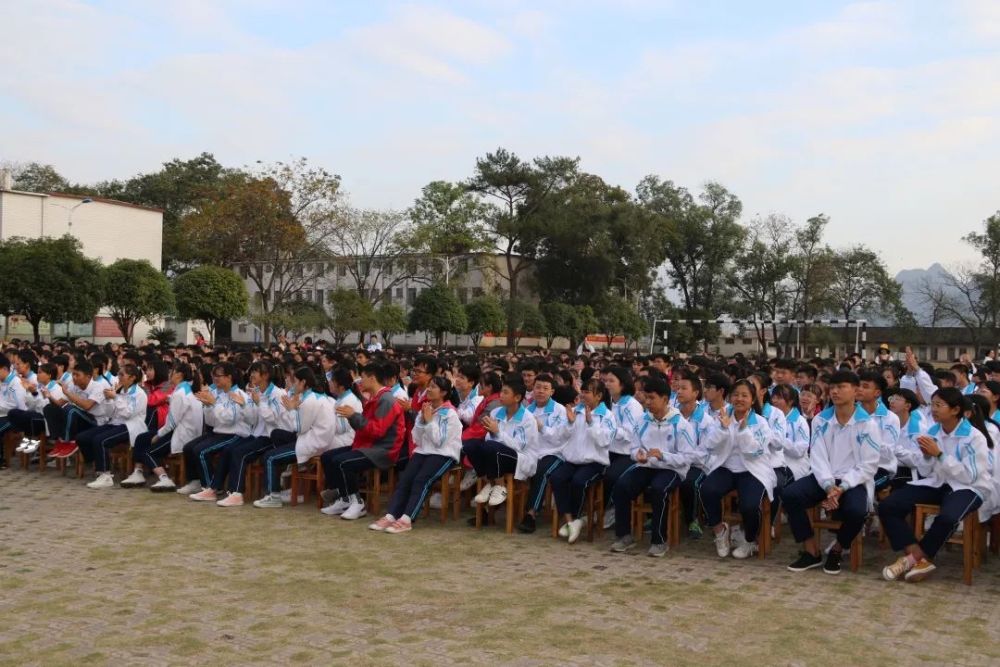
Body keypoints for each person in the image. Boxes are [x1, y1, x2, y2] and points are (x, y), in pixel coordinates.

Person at [879, 387, 995, 582]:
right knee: (888, 506)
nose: (933, 409)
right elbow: (925, 469)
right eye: (932, 404)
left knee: (948, 517)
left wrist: (939, 455)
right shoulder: (932, 431)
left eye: (939, 405)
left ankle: (912, 560)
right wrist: (926, 456)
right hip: (939, 482)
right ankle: (917, 556)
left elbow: (970, 476)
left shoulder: (973, 437)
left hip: (970, 487)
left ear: (955, 409)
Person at [784, 371, 881, 575]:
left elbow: (868, 465)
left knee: (857, 511)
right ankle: (811, 551)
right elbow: (817, 457)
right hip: (824, 478)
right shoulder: (821, 420)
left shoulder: (868, 424)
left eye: (841, 387)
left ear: (855, 391)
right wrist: (829, 486)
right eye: (833, 387)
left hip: (853, 481)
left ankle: (838, 549)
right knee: (791, 494)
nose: (835, 391)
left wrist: (843, 486)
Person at [610, 377, 696, 556]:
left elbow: (687, 458)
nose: (647, 402)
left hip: (671, 469)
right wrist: (638, 455)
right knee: (621, 486)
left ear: (665, 399)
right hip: (646, 466)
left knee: (659, 489)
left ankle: (659, 540)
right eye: (646, 397)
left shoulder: (680, 425)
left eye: (652, 398)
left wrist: (663, 455)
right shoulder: (642, 420)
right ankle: (624, 535)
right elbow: (633, 448)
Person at [369, 376, 463, 533]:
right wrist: (423, 421)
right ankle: (391, 515)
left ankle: (407, 518)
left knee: (421, 480)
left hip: (444, 454)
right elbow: (417, 439)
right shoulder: (425, 409)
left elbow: (439, 442)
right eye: (429, 386)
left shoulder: (450, 414)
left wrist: (430, 421)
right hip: (424, 450)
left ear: (444, 392)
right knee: (405, 478)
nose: (429, 390)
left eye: (433, 387)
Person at [191, 360, 288, 506]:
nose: (252, 375)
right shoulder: (256, 392)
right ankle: (213, 488)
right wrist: (244, 405)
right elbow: (252, 419)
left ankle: (236, 493)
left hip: (270, 437)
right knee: (228, 450)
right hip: (256, 434)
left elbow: (273, 419)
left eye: (256, 372)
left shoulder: (277, 394)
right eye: (252, 371)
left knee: (239, 453)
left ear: (266, 375)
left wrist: (258, 403)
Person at [698, 379, 776, 560]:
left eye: (744, 395)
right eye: (736, 395)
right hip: (726, 467)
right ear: (730, 397)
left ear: (752, 399)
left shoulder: (760, 422)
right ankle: (720, 531)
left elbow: (755, 452)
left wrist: (743, 431)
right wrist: (724, 430)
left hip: (752, 470)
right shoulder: (722, 417)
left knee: (749, 505)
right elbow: (710, 446)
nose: (739, 399)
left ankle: (750, 540)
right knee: (707, 490)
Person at [320, 361, 406, 520]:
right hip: (368, 444)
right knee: (327, 457)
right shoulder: (377, 398)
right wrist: (352, 417)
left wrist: (353, 415)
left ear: (373, 378)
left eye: (363, 377)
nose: (359, 381)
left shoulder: (387, 400)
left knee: (342, 462)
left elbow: (377, 431)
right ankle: (344, 499)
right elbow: (365, 428)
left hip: (382, 450)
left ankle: (357, 503)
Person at [253, 366, 333, 509]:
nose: (292, 384)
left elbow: (298, 427)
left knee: (269, 457)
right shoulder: (309, 396)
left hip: (312, 444)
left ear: (303, 382)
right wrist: (293, 409)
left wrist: (291, 409)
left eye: (294, 381)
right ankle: (288, 466)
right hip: (309, 438)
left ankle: (273, 496)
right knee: (276, 434)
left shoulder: (310, 400)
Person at [549, 378, 616, 544]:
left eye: (588, 392)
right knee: (556, 477)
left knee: (579, 482)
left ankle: (576, 520)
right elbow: (560, 436)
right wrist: (570, 423)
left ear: (599, 395)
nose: (583, 395)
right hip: (572, 460)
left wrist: (591, 423)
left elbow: (604, 441)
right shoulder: (575, 411)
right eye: (583, 392)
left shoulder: (607, 415)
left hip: (595, 462)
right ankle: (571, 520)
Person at [176, 363, 251, 496]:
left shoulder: (238, 394)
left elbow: (229, 419)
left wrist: (214, 404)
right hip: (218, 432)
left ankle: (211, 487)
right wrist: (208, 406)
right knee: (188, 447)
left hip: (233, 433)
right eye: (213, 376)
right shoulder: (215, 393)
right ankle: (196, 481)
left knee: (201, 451)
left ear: (229, 377)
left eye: (218, 376)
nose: (215, 379)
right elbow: (211, 421)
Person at [464, 376, 538, 510]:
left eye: (505, 392)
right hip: (497, 455)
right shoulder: (496, 412)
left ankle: (500, 486)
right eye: (501, 392)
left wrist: (497, 432)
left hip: (520, 459)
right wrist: (492, 433)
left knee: (493, 447)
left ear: (517, 397)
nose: (501, 395)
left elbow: (520, 446)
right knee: (471, 445)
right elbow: (488, 439)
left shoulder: (528, 419)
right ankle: (489, 482)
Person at [127, 361, 203, 491]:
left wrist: (158, 435)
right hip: (180, 431)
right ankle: (138, 472)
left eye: (172, 372)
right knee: (142, 438)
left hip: (181, 434)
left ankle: (164, 479)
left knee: (149, 452)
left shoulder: (180, 394)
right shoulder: (185, 390)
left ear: (179, 375)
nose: (169, 374)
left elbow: (172, 423)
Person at [76, 364, 148, 489]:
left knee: (100, 440)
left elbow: (128, 414)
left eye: (122, 375)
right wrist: (108, 399)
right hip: (114, 423)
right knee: (83, 437)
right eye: (118, 374)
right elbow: (109, 412)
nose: (119, 377)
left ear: (132, 378)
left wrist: (115, 397)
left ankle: (106, 476)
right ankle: (98, 465)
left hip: (130, 426)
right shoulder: (120, 391)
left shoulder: (139, 394)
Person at [517, 374, 569, 534]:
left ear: (552, 391)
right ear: (532, 389)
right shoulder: (526, 410)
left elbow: (560, 438)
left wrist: (542, 428)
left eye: (545, 388)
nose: (540, 391)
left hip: (554, 453)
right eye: (537, 387)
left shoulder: (559, 410)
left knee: (541, 472)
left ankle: (531, 514)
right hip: (531, 452)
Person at [601, 366, 645, 530]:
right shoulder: (611, 402)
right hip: (609, 450)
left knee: (611, 476)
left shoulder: (631, 406)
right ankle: (595, 509)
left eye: (612, 381)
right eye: (606, 381)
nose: (607, 384)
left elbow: (629, 434)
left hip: (628, 453)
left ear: (623, 384)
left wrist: (607, 428)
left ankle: (611, 509)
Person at [44, 359, 110, 459]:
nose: (74, 378)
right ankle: (59, 440)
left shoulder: (98, 387)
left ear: (88, 376)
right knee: (50, 408)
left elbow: (87, 406)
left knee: (71, 409)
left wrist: (68, 394)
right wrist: (49, 396)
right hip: (79, 418)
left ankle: (68, 441)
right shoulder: (73, 386)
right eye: (73, 374)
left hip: (96, 421)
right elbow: (59, 404)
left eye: (77, 375)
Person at [11, 362, 63, 455]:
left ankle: (35, 445)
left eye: (40, 372)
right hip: (38, 416)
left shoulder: (56, 388)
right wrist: (28, 391)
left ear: (49, 375)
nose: (37, 375)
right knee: (14, 413)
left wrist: (34, 393)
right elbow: (31, 406)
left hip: (47, 421)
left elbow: (46, 409)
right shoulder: (41, 387)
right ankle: (32, 444)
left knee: (24, 417)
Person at [0, 354, 28, 469]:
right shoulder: (2, 382)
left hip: (15, 416)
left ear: (5, 369)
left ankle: (1, 461)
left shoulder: (16, 382)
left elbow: (17, 405)